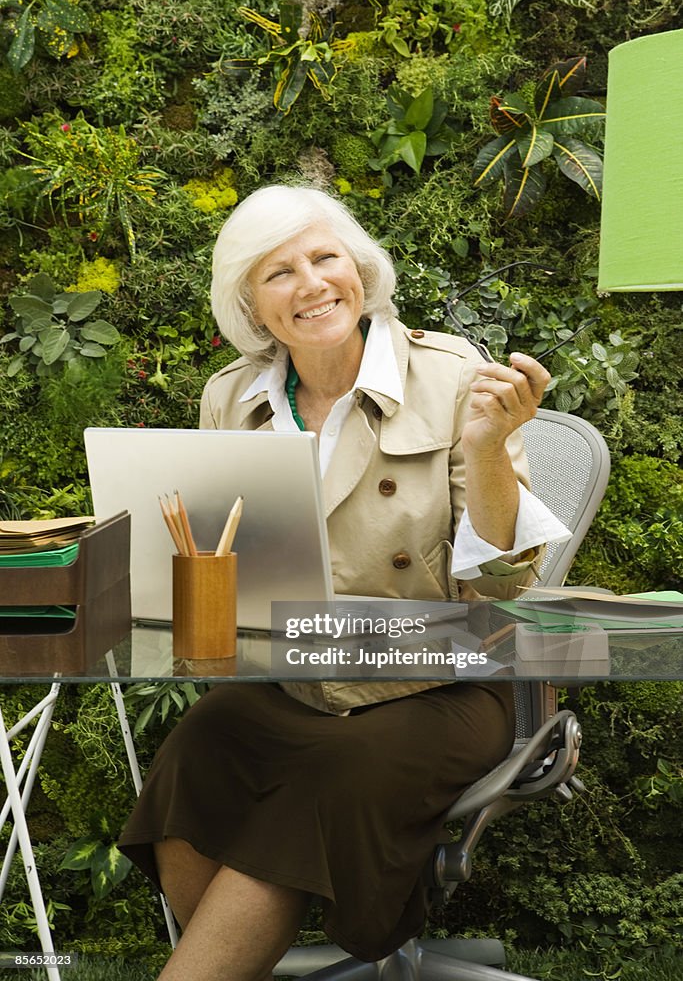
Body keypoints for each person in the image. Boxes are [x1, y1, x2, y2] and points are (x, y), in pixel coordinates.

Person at [119, 185, 570, 981]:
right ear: (252, 307)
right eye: (279, 272)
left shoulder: (450, 374)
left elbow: (499, 592)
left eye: (325, 257)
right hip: (300, 674)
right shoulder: (230, 399)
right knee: (195, 753)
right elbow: (225, 567)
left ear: (359, 270)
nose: (312, 284)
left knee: (319, 788)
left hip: (443, 680)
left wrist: (491, 449)